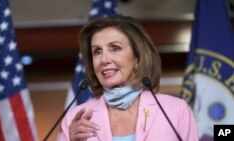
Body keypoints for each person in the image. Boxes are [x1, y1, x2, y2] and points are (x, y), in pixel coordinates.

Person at [60, 15, 198, 141]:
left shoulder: (176, 110)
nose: (103, 59)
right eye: (97, 51)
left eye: (115, 48)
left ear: (137, 57)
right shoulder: (75, 118)